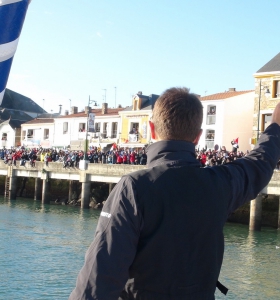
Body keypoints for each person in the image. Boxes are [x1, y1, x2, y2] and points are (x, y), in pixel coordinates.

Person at [69, 87, 280, 300]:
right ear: (198, 137)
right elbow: (260, 162)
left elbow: (99, 279)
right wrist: (275, 126)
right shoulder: (220, 185)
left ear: (151, 129)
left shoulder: (133, 188)